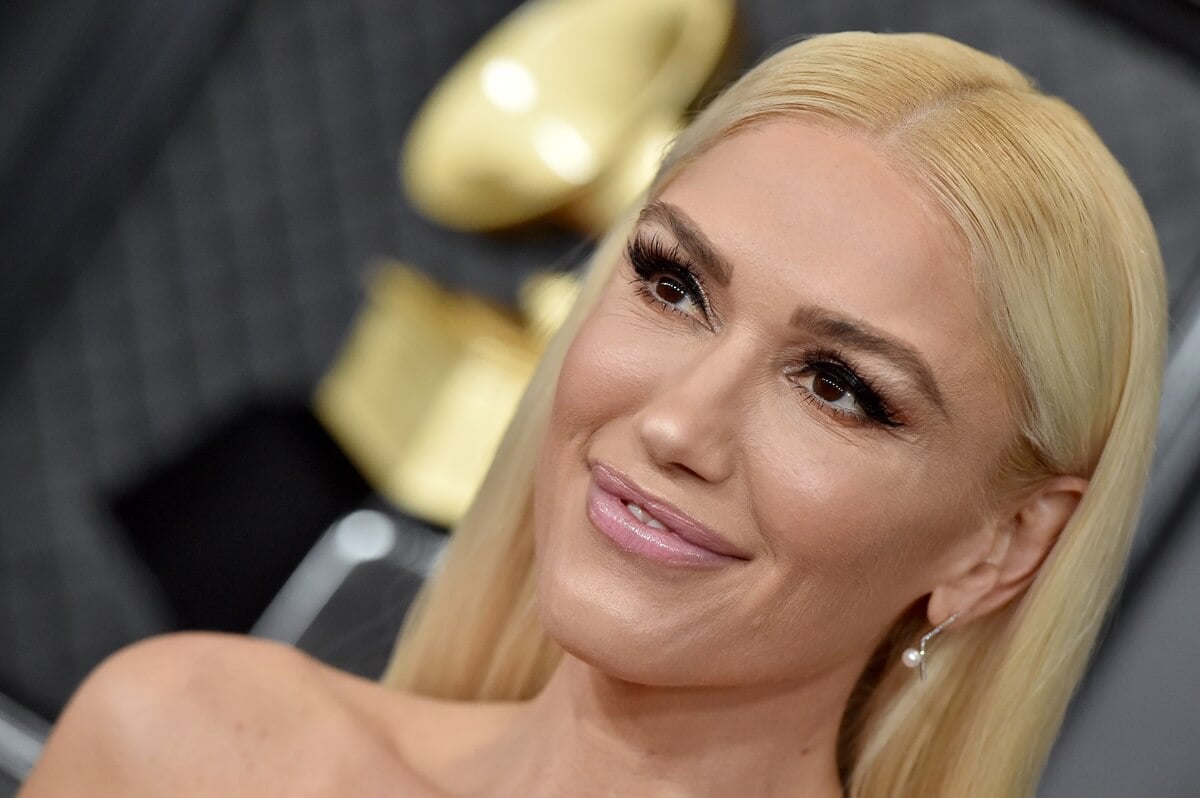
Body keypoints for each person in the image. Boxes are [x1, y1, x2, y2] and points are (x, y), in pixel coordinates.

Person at [20, 31, 1165, 797]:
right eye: (674, 286)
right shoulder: (182, 748)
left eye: (840, 388)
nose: (678, 423)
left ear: (1001, 546)